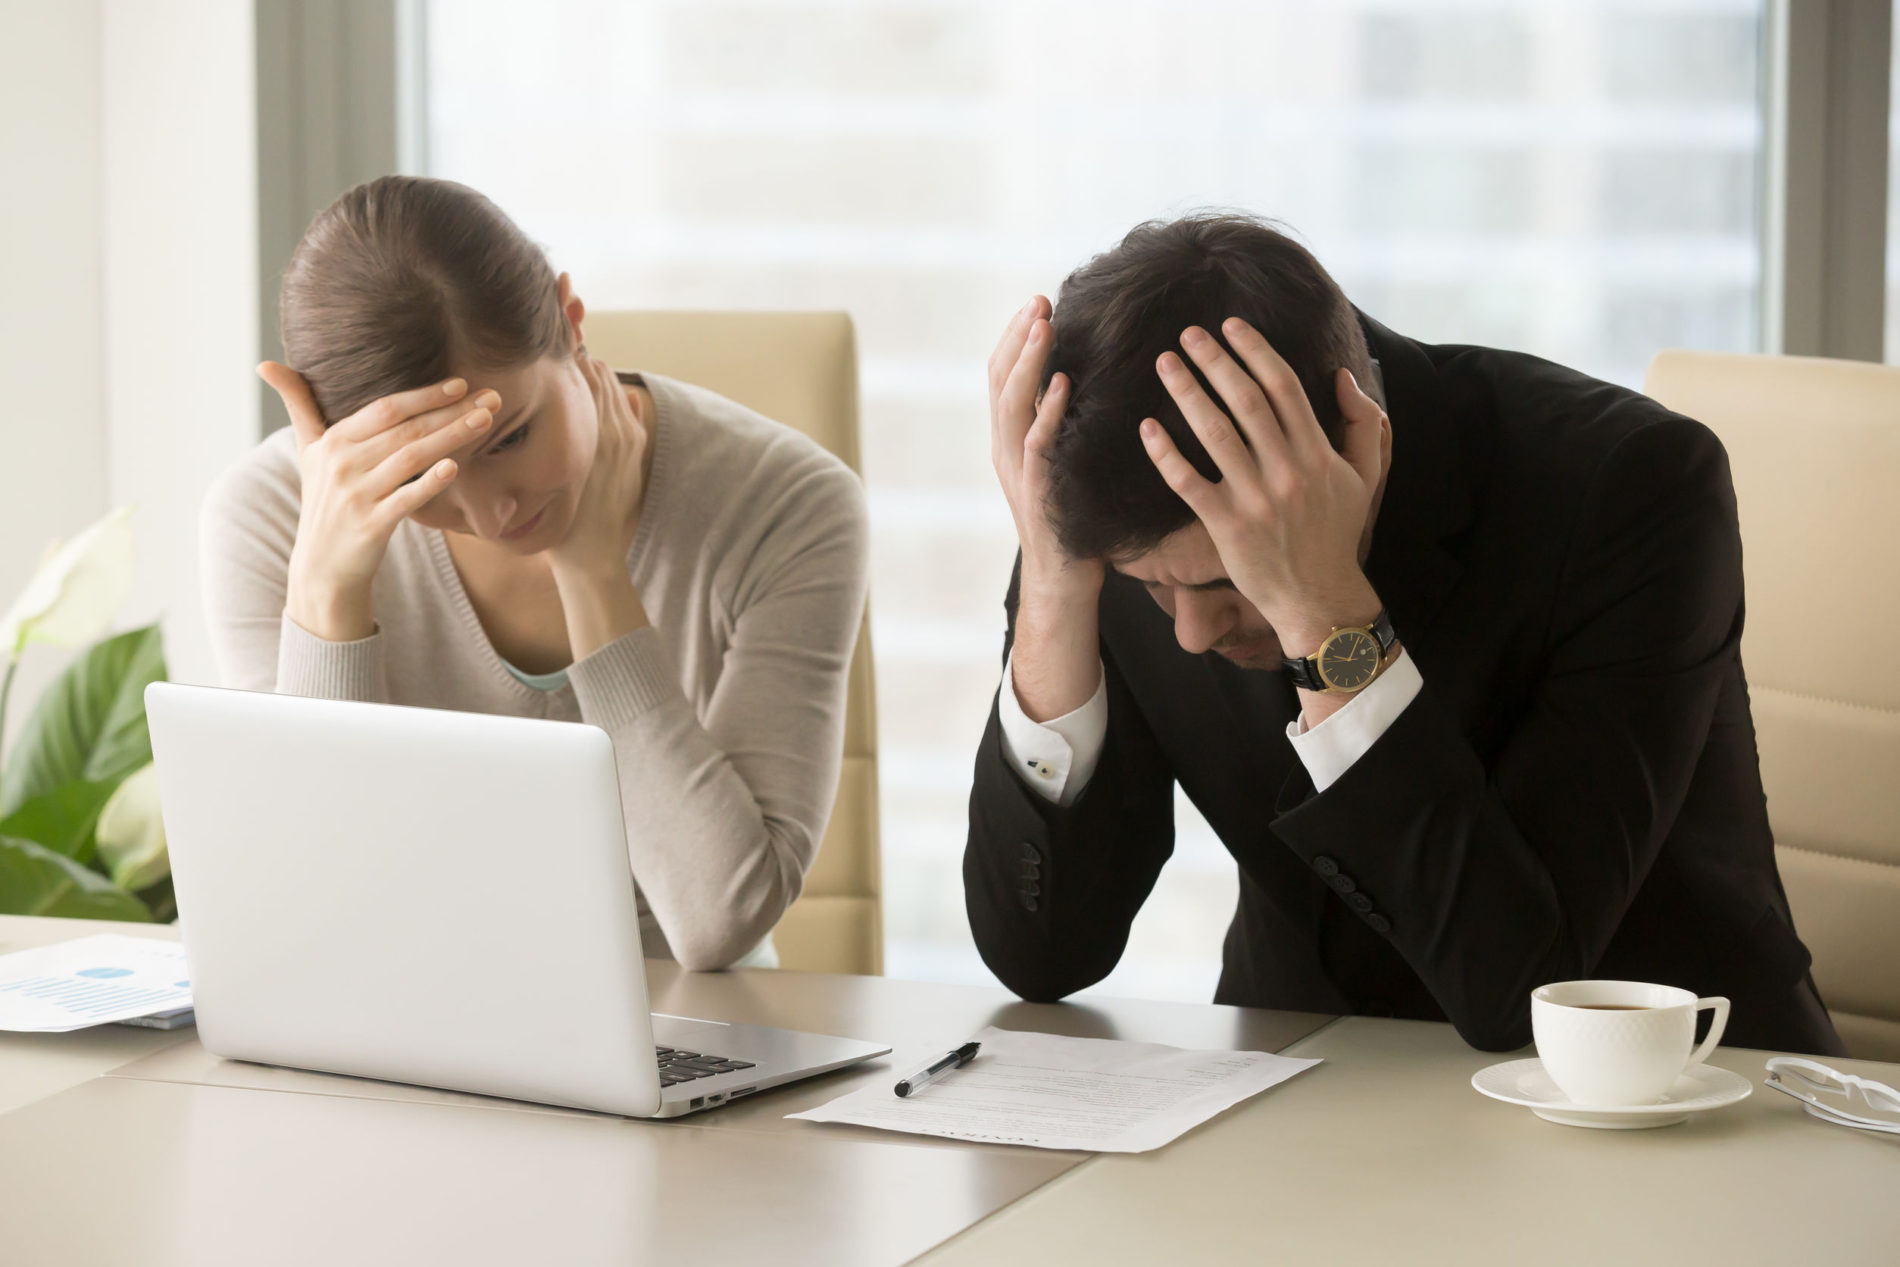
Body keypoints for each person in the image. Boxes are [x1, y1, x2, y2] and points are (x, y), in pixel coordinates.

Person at [965, 213, 1844, 1055]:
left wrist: (1322, 608)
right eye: (1153, 588)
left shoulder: (1633, 489)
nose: (1190, 632)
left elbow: (1522, 991)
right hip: (1303, 1085)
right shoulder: (1114, 514)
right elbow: (1043, 957)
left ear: (1356, 451)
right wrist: (1050, 588)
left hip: (1659, 1097)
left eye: (1227, 581)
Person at [201, 176, 868, 971]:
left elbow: (719, 918)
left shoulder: (787, 506)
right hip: (395, 1016)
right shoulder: (268, 518)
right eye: (428, 478)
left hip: (680, 1020)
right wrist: (325, 591)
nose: (491, 515)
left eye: (510, 437)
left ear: (570, 323)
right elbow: (311, 912)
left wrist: (593, 576)